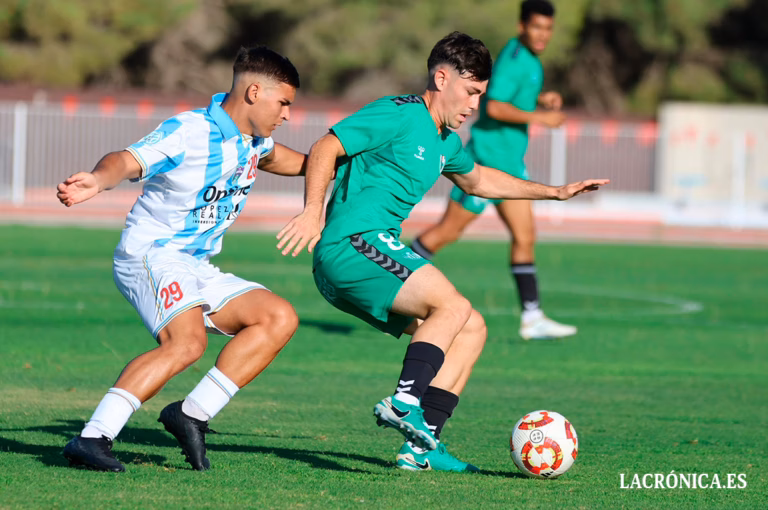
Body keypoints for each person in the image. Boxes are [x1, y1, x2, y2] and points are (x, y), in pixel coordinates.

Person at [276, 31, 607, 472]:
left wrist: (555, 192)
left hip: (369, 251)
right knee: (451, 305)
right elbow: (325, 147)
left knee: (471, 328)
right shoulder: (398, 113)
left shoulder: (446, 141)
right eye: (470, 92)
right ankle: (403, 403)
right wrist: (312, 212)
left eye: (481, 94)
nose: (474, 105)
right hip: (350, 245)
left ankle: (421, 448)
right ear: (441, 77)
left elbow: (479, 181)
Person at [57, 46, 306, 472]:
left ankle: (190, 414)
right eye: (283, 103)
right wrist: (98, 179)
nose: (287, 115)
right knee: (187, 344)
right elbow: (126, 160)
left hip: (194, 264)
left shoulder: (255, 142)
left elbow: (292, 161)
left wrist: (350, 157)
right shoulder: (190, 131)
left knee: (278, 317)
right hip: (152, 253)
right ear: (253, 93)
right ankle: (92, 438)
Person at [411, 0, 573, 341]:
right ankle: (393, 287)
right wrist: (541, 117)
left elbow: (512, 97)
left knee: (525, 237)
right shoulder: (514, 59)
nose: (542, 35)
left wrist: (540, 99)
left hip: (510, 165)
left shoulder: (529, 61)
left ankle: (532, 317)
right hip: (484, 163)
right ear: (522, 27)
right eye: (536, 27)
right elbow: (495, 107)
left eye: (548, 28)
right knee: (446, 233)